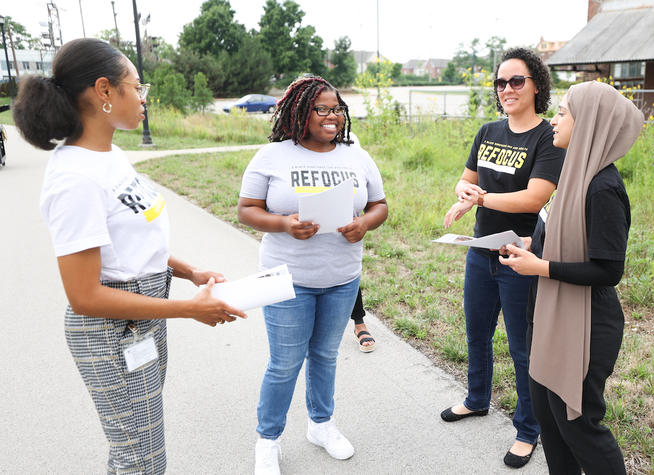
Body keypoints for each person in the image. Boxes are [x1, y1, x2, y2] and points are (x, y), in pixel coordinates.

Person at [12, 38, 245, 474]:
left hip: (143, 320)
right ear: (104, 91)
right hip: (111, 335)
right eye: (137, 87)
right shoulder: (75, 179)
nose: (143, 97)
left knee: (140, 449)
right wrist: (188, 310)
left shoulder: (111, 155)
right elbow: (85, 296)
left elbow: (135, 243)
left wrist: (190, 272)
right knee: (140, 458)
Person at [238, 75, 388, 475]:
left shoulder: (356, 153)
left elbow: (379, 204)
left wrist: (365, 224)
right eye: (322, 109)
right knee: (285, 363)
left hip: (341, 277)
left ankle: (321, 425)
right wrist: (284, 223)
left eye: (337, 109)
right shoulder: (272, 156)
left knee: (324, 355)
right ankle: (268, 441)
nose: (332, 117)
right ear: (301, 112)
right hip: (286, 278)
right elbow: (247, 209)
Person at [499, 81, 643, 474]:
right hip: (549, 314)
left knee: (579, 427)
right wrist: (533, 244)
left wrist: (541, 267)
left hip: (585, 325)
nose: (554, 120)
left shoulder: (602, 186)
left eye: (563, 112)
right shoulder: (574, 175)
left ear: (590, 123)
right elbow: (566, 236)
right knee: (550, 422)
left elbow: (608, 270)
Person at [442, 47, 565, 468]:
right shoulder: (488, 130)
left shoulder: (548, 137)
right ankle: (476, 399)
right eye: (500, 82)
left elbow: (536, 196)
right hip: (480, 251)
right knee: (476, 332)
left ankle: (529, 430)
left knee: (522, 348)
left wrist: (481, 198)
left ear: (536, 86)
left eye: (516, 81)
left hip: (521, 256)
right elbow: (466, 179)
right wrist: (465, 194)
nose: (506, 89)